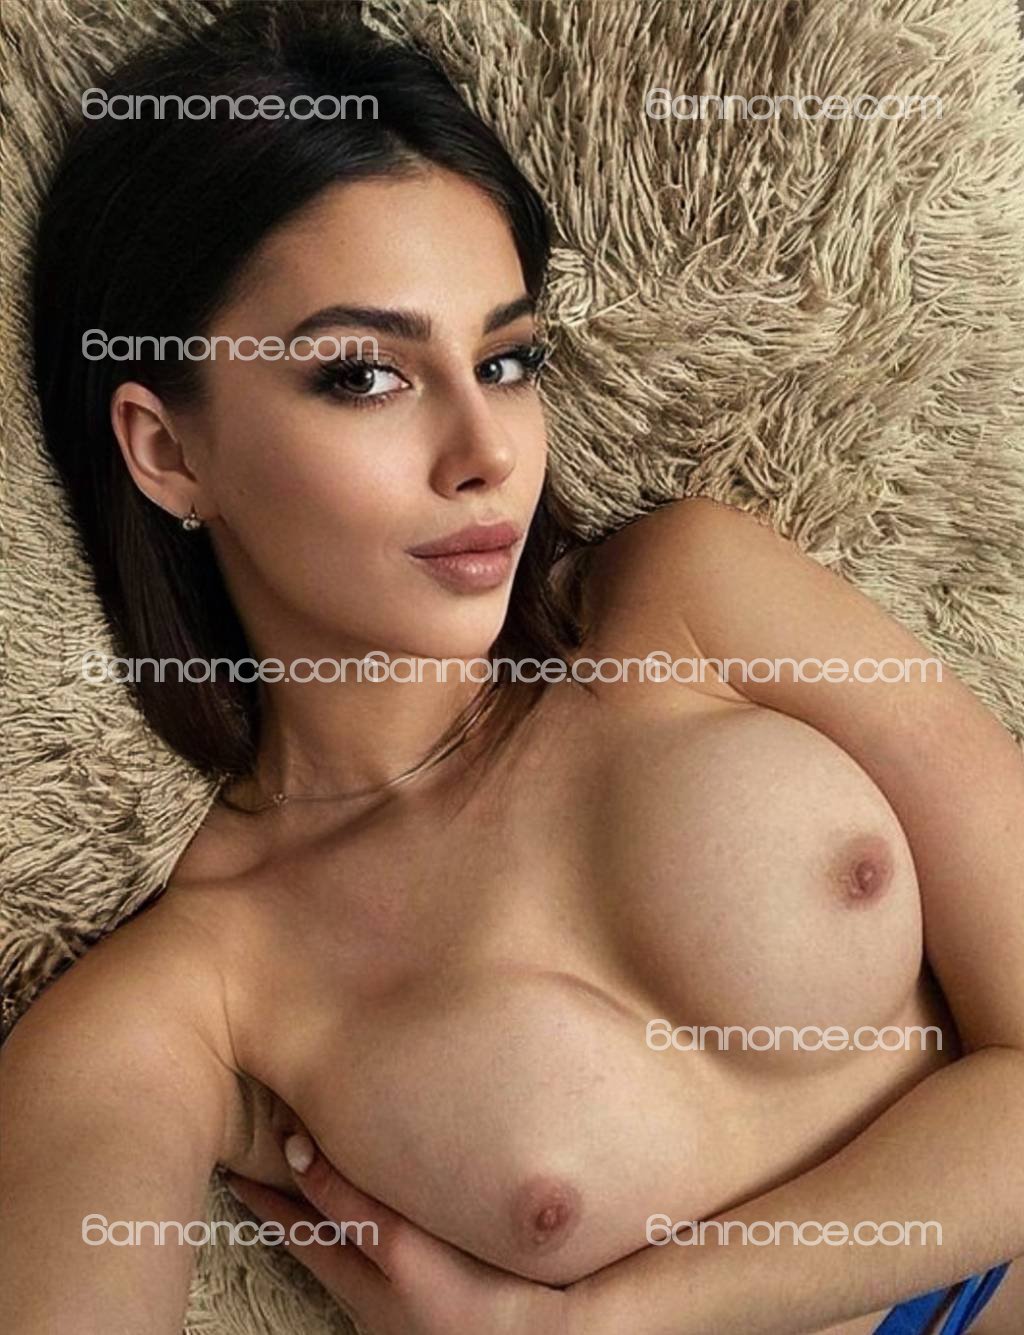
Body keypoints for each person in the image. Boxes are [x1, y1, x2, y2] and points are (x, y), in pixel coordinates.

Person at [3, 4, 1022, 1332]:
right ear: (168, 452)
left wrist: (590, 1324)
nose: (485, 451)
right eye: (364, 377)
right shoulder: (197, 990)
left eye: (506, 359)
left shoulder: (690, 598)